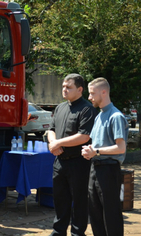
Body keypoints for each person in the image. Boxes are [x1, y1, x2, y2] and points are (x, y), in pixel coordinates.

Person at [47, 73, 97, 236]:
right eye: (63, 86)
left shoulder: (87, 109)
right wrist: (53, 143)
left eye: (69, 87)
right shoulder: (60, 107)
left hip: (79, 163)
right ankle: (58, 231)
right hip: (59, 162)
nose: (64, 90)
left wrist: (58, 143)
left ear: (80, 89)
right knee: (60, 200)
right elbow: (51, 129)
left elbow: (84, 136)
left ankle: (77, 233)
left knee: (80, 201)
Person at [82, 77, 128, 236]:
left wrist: (97, 152)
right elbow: (98, 144)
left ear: (104, 92)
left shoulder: (116, 116)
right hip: (95, 169)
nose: (89, 97)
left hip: (109, 170)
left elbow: (121, 147)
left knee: (111, 215)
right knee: (95, 214)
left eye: (92, 93)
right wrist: (90, 150)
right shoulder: (98, 116)